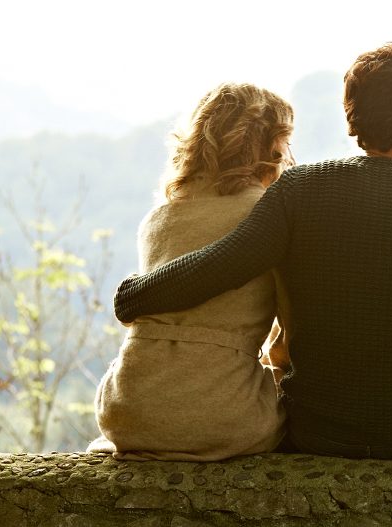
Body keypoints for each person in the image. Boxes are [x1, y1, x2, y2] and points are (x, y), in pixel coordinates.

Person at [113, 43, 392, 460]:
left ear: (352, 117)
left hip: (319, 430)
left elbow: (221, 265)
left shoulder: (299, 189)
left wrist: (136, 294)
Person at [90, 83, 293, 461]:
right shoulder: (270, 214)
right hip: (224, 416)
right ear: (273, 145)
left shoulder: (157, 219)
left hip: (126, 410)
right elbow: (291, 330)